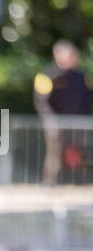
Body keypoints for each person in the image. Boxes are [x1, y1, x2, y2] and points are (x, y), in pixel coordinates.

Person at [33, 41, 93, 184]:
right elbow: (41, 102)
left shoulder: (83, 76)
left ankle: (78, 181)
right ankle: (51, 181)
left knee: (78, 152)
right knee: (55, 153)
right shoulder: (46, 75)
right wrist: (51, 120)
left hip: (78, 124)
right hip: (56, 124)